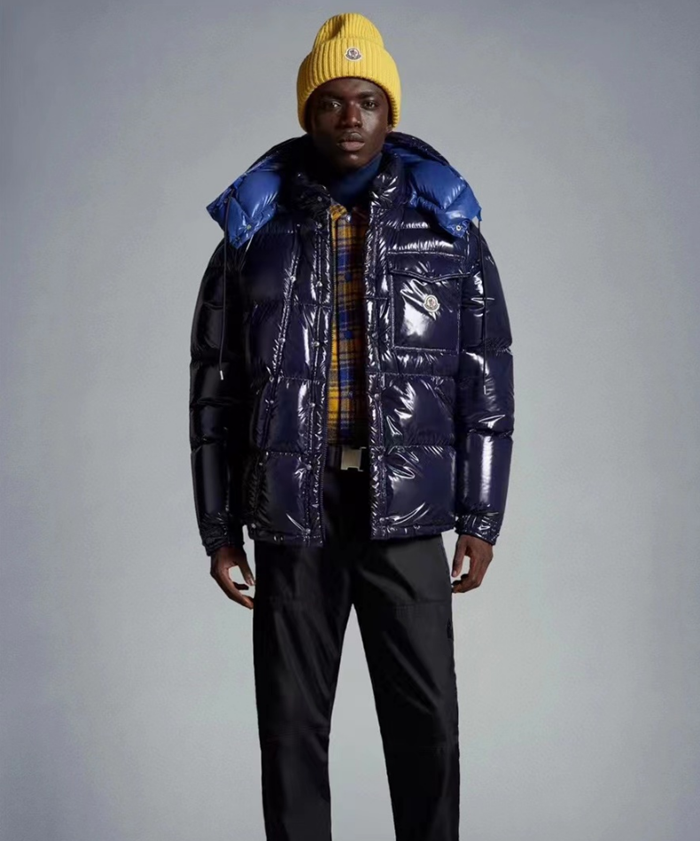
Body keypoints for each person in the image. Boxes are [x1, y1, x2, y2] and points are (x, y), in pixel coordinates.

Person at [188, 12, 514, 841]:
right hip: (293, 512)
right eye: (332, 101)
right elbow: (214, 392)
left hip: (407, 511)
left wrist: (481, 517)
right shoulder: (252, 234)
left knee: (428, 730)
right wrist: (219, 530)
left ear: (389, 110)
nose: (350, 117)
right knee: (290, 732)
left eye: (367, 100)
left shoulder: (447, 228)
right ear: (308, 111)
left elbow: (486, 376)